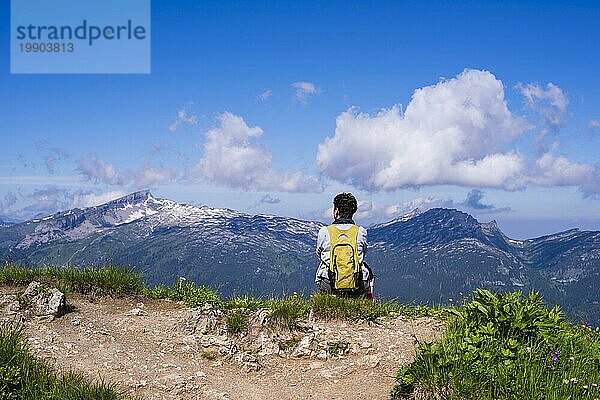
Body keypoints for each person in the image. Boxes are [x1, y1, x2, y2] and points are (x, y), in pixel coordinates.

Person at [315, 192, 373, 299]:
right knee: (367, 271)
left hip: (329, 281)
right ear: (353, 211)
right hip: (357, 281)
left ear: (336, 211)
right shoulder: (361, 232)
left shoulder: (324, 232)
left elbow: (319, 253)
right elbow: (363, 252)